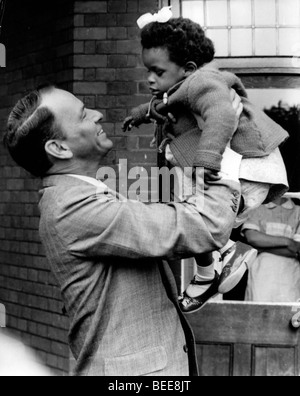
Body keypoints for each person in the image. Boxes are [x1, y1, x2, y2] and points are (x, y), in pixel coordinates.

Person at [3, 85, 243, 376]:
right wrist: (221, 145)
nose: (98, 114)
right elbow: (205, 227)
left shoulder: (81, 196)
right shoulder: (74, 207)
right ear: (59, 148)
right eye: (82, 116)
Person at [123, 10, 289, 313]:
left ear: (187, 68)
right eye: (147, 70)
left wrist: (206, 160)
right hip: (237, 170)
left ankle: (223, 255)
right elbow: (161, 104)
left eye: (157, 72)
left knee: (189, 212)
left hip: (247, 167)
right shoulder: (182, 85)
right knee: (186, 208)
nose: (149, 78)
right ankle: (214, 267)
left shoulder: (204, 82)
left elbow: (223, 115)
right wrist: (138, 115)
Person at [243, 197, 300, 302]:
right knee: (260, 309)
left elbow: (297, 248)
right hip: (262, 270)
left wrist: (262, 247)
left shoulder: (298, 211)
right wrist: (288, 242)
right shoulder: (258, 208)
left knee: (289, 312)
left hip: (290, 272)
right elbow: (252, 237)